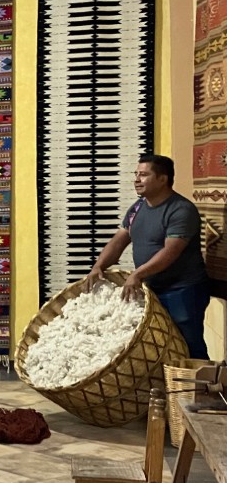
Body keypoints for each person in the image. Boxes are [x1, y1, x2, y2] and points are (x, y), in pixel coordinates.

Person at [87, 154, 211, 359]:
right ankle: (168, 389)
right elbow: (118, 240)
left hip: (183, 290)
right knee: (158, 349)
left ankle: (202, 390)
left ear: (163, 179)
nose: (136, 179)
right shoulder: (137, 208)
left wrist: (138, 274)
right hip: (151, 290)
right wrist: (98, 266)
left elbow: (171, 251)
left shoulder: (181, 210)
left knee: (188, 345)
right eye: (136, 174)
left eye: (143, 175)